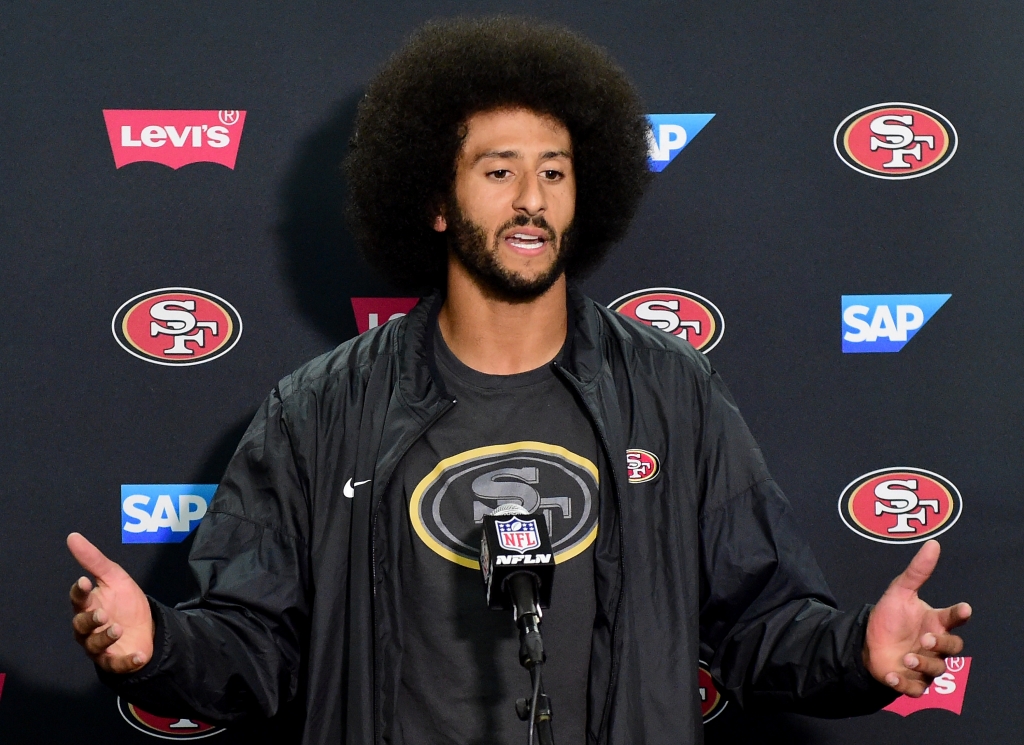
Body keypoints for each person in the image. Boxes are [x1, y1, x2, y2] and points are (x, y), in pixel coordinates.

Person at [67, 17, 971, 745]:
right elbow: (256, 647)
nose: (531, 198)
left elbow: (759, 623)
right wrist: (160, 644)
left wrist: (857, 648)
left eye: (555, 171)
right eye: (498, 172)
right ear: (434, 199)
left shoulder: (671, 390)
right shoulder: (319, 408)